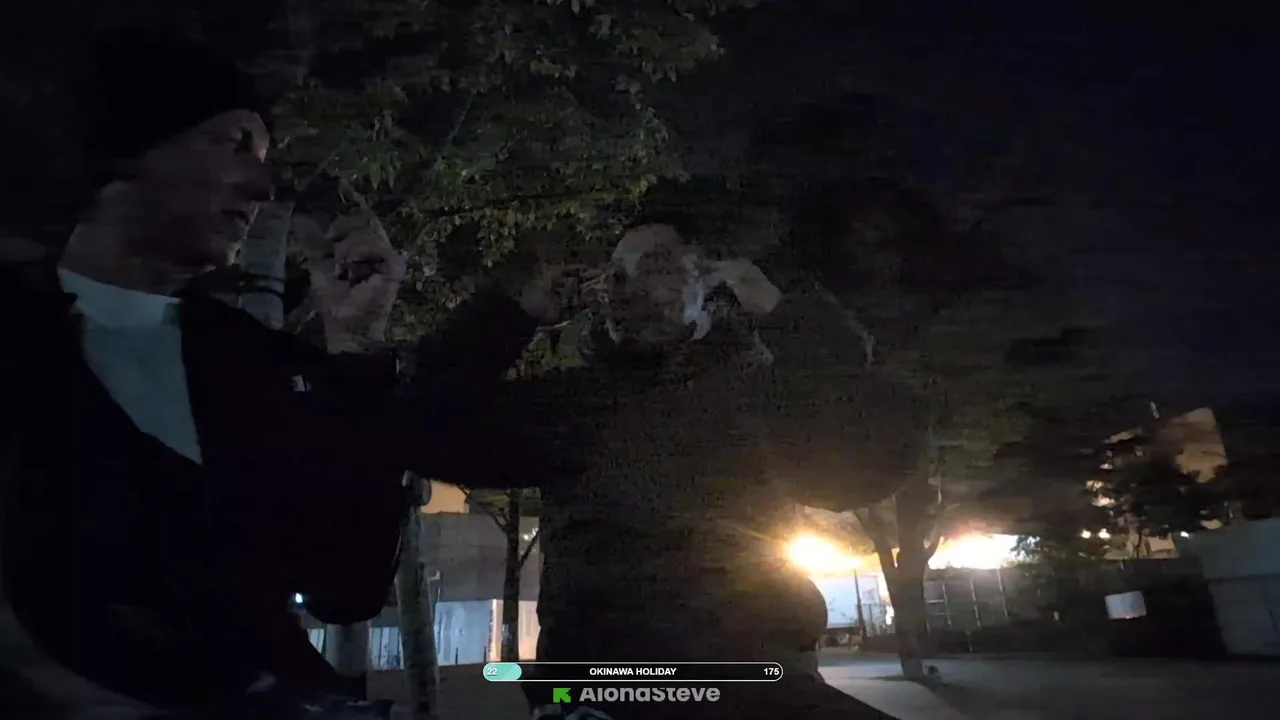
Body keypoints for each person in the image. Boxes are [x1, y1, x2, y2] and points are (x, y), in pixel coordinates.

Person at [0, 30, 582, 718]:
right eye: (232, 145)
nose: (262, 185)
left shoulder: (255, 363)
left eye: (265, 159)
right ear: (126, 150)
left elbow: (344, 587)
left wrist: (356, 349)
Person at [483, 224, 920, 719]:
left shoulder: (759, 399)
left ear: (709, 284)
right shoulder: (564, 406)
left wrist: (785, 314)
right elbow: (430, 427)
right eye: (617, 273)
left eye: (657, 267)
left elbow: (874, 454)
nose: (628, 286)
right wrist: (511, 317)